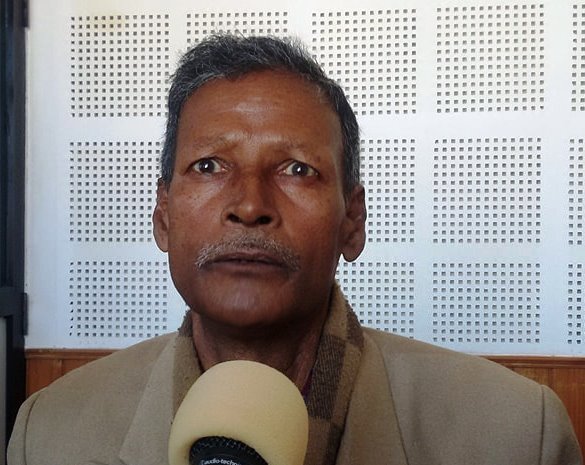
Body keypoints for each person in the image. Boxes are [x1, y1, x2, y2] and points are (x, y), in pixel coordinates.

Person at [8, 34, 582, 465]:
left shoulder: (514, 435)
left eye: (297, 170)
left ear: (352, 220)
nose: (249, 205)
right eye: (208, 166)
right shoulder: (50, 433)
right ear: (163, 216)